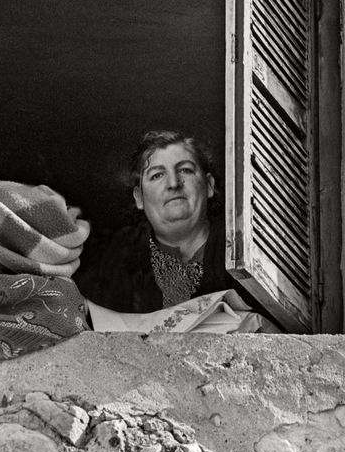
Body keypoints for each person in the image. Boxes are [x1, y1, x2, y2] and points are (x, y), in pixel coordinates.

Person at [73, 129, 234, 314]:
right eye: (157, 175)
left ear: (209, 185)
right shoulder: (111, 264)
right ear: (139, 197)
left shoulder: (241, 248)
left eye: (185, 170)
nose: (173, 183)